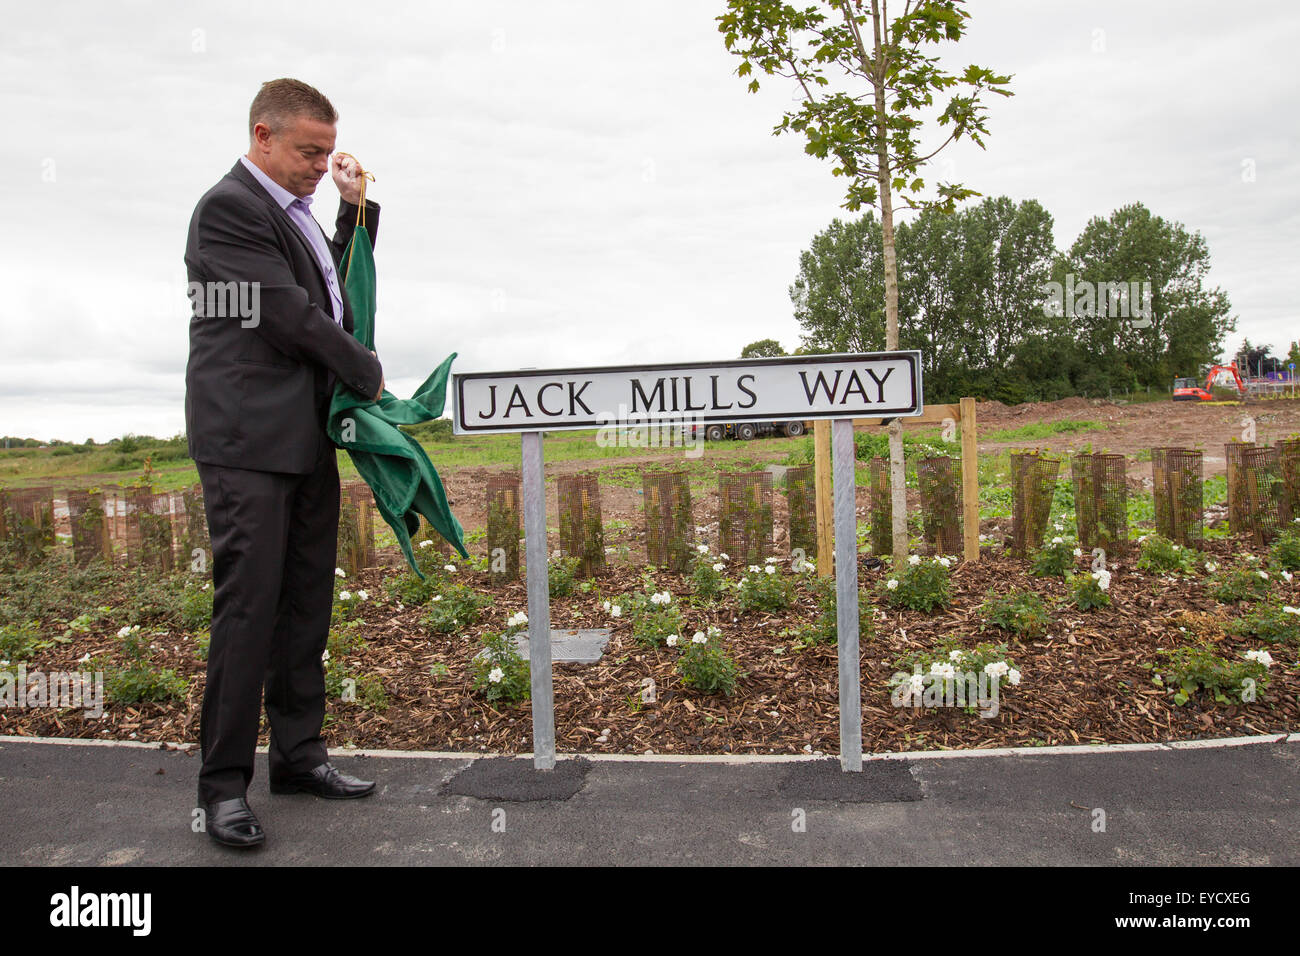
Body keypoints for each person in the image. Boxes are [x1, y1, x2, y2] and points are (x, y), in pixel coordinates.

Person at [184, 78, 385, 848]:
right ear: (263, 136)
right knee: (249, 610)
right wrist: (363, 369)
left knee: (305, 604)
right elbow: (284, 312)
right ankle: (221, 790)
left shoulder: (295, 216)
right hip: (247, 446)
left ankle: (299, 757)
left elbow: (328, 294)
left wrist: (353, 209)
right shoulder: (229, 210)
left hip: (304, 441)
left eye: (329, 152)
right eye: (309, 152)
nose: (318, 164)